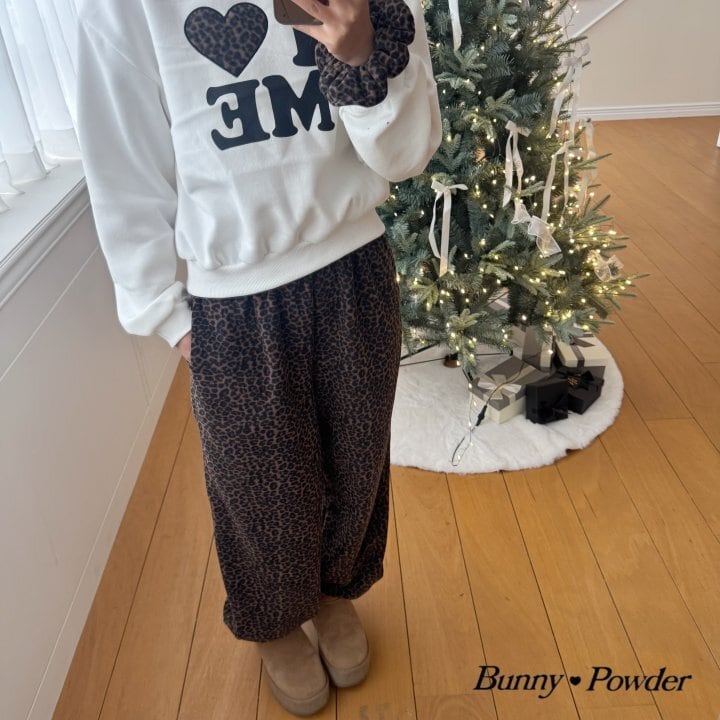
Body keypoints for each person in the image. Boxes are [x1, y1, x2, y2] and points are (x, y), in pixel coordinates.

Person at [76, 0, 441, 714]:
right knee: (256, 485)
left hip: (354, 266)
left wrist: (360, 53)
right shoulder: (120, 11)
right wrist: (167, 315)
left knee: (357, 458)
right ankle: (275, 618)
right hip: (232, 301)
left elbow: (406, 156)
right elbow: (121, 164)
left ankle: (333, 591)